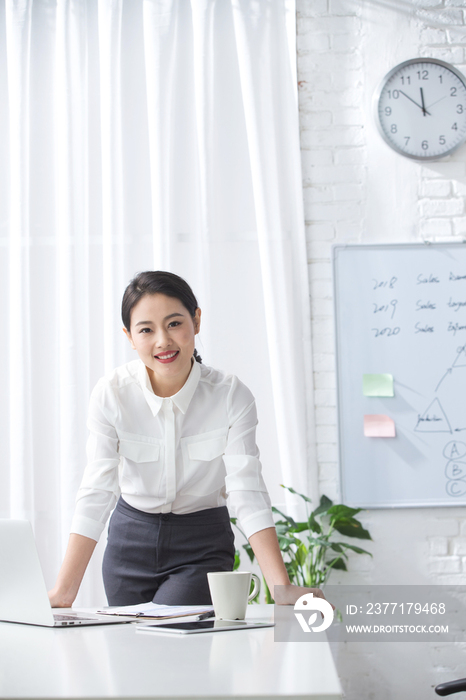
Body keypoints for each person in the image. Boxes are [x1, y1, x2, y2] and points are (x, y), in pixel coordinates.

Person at [48, 271, 324, 608]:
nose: (163, 341)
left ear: (196, 321)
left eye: (174, 323)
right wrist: (64, 591)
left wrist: (280, 586)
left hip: (201, 546)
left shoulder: (231, 396)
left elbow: (246, 491)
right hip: (128, 544)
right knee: (129, 655)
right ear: (130, 337)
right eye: (146, 330)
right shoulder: (112, 394)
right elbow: (97, 490)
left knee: (173, 643)